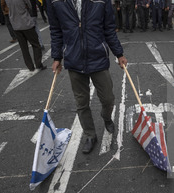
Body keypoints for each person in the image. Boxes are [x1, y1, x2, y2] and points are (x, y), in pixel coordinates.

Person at [46, 0, 128, 154]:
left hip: (98, 57)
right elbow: (56, 30)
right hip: (73, 59)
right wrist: (57, 57)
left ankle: (106, 117)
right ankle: (90, 135)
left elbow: (109, 28)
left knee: (108, 99)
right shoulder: (55, 2)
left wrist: (119, 53)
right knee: (81, 102)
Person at [5, 0, 46, 71]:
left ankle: (30, 66)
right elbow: (30, 6)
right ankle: (38, 64)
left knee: (24, 48)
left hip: (15, 25)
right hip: (26, 23)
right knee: (36, 44)